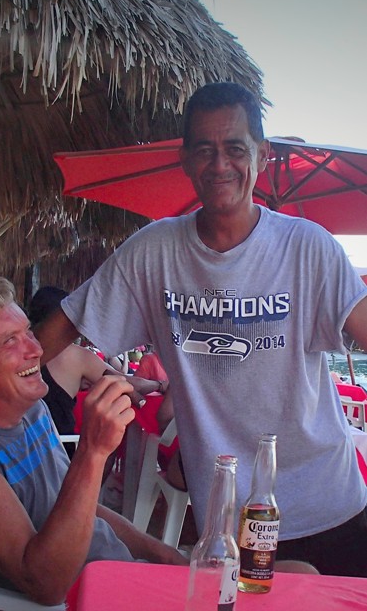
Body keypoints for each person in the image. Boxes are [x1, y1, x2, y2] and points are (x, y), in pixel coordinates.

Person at [35, 82, 367, 577]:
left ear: (262, 155)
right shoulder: (154, 251)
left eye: (235, 148)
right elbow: (65, 325)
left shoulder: (308, 247)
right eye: (205, 150)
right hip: (227, 519)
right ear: (186, 160)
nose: (220, 165)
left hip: (327, 500)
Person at [0, 278, 186, 606]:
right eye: (10, 341)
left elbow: (81, 508)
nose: (36, 349)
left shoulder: (32, 411)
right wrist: (92, 452)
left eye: (28, 331)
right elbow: (45, 583)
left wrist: (164, 555)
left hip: (117, 576)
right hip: (83, 599)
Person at [28, 286, 164, 458]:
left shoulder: (18, 354)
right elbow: (127, 383)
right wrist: (160, 385)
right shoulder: (75, 355)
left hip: (18, 450)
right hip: (58, 451)